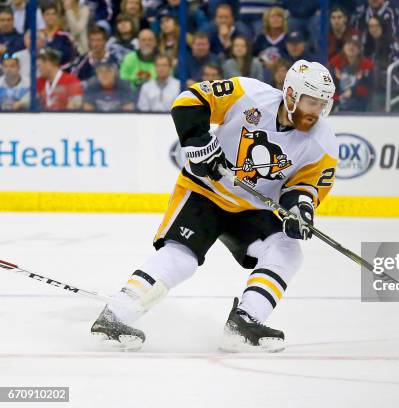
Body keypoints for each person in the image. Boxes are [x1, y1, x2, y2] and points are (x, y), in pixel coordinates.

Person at [90, 59, 337, 353]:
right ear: (292, 95)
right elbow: (189, 101)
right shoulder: (248, 94)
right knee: (182, 258)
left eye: (323, 104)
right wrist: (200, 144)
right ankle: (116, 314)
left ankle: (246, 321)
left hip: (251, 209)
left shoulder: (322, 142)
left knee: (288, 251)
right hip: (204, 192)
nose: (317, 111)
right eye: (312, 102)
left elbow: (305, 187)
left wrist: (300, 209)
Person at [329, 37, 374, 111]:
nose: (351, 47)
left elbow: (369, 87)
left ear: (360, 49)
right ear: (343, 47)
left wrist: (353, 91)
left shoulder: (366, 64)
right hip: (336, 100)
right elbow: (328, 85)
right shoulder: (335, 62)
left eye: (355, 45)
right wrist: (337, 97)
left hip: (358, 101)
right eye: (348, 44)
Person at [40, 3, 76, 67]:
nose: (50, 17)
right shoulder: (38, 35)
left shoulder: (65, 36)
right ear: (42, 16)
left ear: (57, 16)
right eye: (47, 14)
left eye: (53, 14)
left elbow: (70, 59)